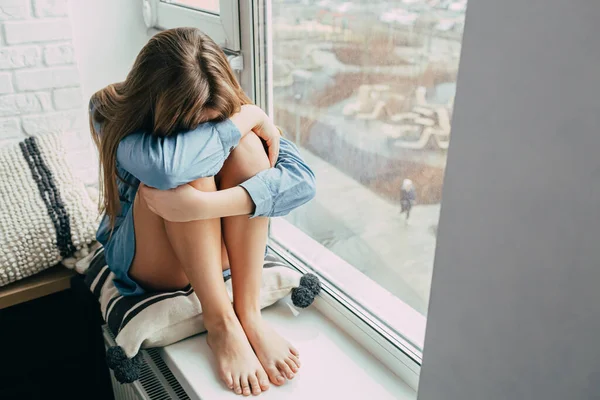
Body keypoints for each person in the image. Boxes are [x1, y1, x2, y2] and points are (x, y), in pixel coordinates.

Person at [89, 28, 316, 397]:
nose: (211, 131)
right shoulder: (107, 109)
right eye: (192, 126)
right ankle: (221, 322)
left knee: (248, 150)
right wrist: (251, 117)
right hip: (148, 257)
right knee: (186, 174)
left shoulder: (225, 101)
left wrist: (206, 205)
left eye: (215, 123)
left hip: (217, 247)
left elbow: (302, 182)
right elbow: (166, 170)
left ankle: (248, 316)